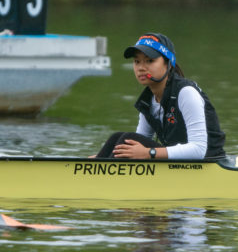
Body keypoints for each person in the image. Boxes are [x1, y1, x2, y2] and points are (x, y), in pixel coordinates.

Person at [95, 32, 226, 160]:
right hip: (179, 165)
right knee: (119, 138)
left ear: (169, 64)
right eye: (136, 61)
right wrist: (106, 156)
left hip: (208, 162)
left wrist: (150, 152)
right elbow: (137, 142)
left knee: (126, 139)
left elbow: (198, 150)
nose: (141, 68)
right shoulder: (148, 100)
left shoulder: (186, 93)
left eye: (150, 61)